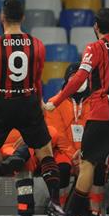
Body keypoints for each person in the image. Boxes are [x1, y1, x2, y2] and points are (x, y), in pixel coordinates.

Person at [44, 8, 109, 216]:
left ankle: (70, 214)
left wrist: (57, 100)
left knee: (88, 163)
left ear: (96, 26)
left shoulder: (95, 47)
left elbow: (80, 76)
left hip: (101, 112)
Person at [0, 0, 67, 216]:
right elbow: (36, 79)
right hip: (28, 103)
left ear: (2, 17)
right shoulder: (37, 45)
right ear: (23, 17)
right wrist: (41, 102)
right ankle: (55, 205)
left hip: (1, 105)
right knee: (45, 153)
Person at [44, 63, 92, 208]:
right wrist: (74, 156)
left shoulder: (96, 102)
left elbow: (96, 131)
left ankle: (93, 211)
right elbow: (58, 134)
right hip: (64, 152)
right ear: (67, 80)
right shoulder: (54, 102)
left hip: (88, 151)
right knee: (62, 168)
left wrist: (84, 153)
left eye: (82, 78)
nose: (78, 82)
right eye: (74, 78)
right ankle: (61, 207)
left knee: (97, 168)